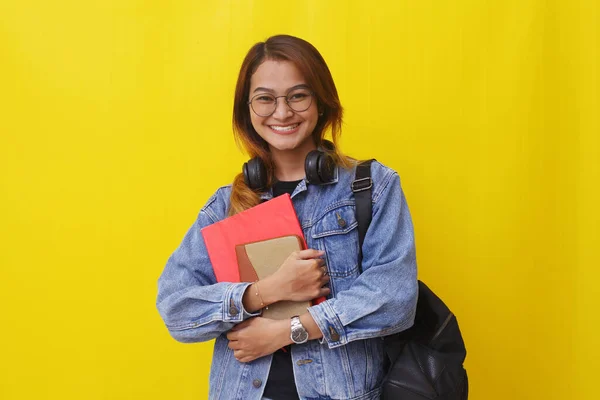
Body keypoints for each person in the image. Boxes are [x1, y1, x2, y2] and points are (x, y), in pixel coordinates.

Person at [156, 34, 418, 400]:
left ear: (322, 103)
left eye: (297, 95)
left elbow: (395, 299)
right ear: (246, 110)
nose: (282, 113)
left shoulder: (372, 188)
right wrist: (267, 291)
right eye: (265, 99)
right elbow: (176, 309)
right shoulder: (224, 206)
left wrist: (289, 330)